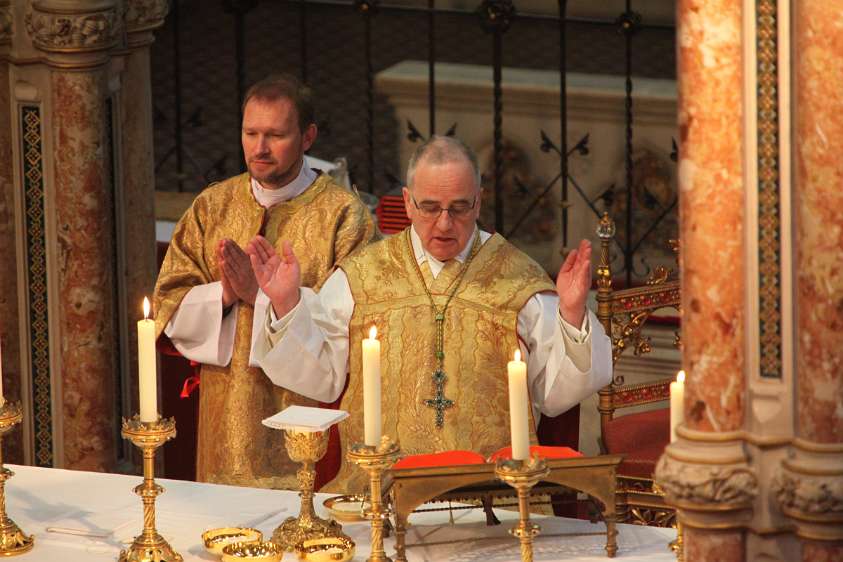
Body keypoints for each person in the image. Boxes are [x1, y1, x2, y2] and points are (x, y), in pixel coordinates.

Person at [249, 135, 611, 492]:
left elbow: (557, 393)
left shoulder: (520, 279)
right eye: (429, 207)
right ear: (407, 202)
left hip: (489, 498)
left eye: (458, 208)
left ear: (479, 202)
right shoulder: (361, 276)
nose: (443, 224)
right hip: (379, 493)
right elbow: (319, 377)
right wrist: (286, 305)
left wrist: (572, 313)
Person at [153, 74, 377, 489]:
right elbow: (168, 302)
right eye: (250, 133)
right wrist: (223, 293)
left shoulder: (343, 216)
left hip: (301, 416)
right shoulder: (213, 205)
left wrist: (270, 300)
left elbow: (356, 322)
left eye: (275, 135)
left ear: (308, 137)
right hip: (224, 413)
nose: (259, 148)